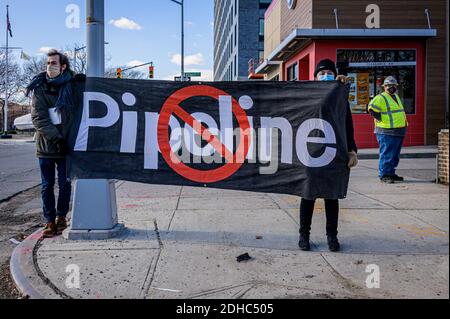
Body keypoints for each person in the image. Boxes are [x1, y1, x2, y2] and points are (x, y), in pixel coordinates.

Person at [298, 59, 358, 252]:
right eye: (321, 73)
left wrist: (352, 150)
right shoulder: (307, 95)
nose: (326, 76)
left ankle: (332, 236)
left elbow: (347, 125)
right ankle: (304, 235)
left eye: (329, 73)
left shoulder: (340, 97)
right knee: (308, 196)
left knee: (331, 197)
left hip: (334, 153)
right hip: (310, 153)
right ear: (315, 77)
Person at [27, 49, 85, 238]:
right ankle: (49, 221)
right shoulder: (40, 87)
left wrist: (87, 84)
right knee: (47, 185)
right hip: (46, 146)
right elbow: (39, 118)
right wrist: (56, 138)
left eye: (53, 63)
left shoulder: (72, 86)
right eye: (48, 63)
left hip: (67, 146)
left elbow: (77, 113)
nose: (49, 66)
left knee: (65, 184)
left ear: (63, 66)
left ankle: (62, 217)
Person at [368, 76, 407, 184]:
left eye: (393, 85)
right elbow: (371, 109)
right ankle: (384, 175)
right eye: (389, 85)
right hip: (386, 131)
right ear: (384, 87)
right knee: (387, 154)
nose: (391, 87)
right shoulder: (381, 97)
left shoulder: (396, 97)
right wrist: (380, 119)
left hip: (398, 131)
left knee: (394, 155)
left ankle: (391, 173)